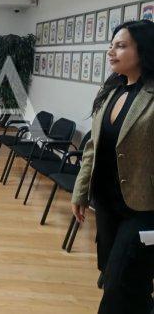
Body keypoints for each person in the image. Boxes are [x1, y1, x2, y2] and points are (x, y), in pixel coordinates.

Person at [71, 20, 154, 314]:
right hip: (106, 205)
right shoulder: (111, 92)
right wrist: (81, 191)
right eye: (111, 46)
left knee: (118, 286)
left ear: (143, 50)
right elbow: (93, 147)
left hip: (143, 209)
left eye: (120, 46)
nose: (111, 52)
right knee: (123, 281)